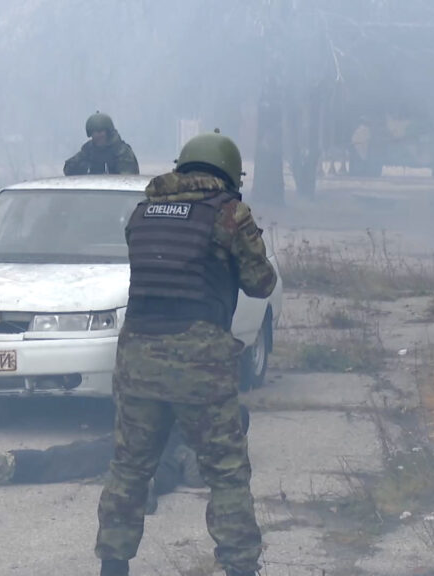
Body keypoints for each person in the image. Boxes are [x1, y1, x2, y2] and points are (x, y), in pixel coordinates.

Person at [94, 130, 276, 576]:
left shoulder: (142, 213)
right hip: (200, 362)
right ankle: (240, 568)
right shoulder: (229, 214)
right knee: (226, 473)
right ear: (229, 173)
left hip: (138, 357)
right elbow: (260, 283)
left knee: (129, 469)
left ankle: (113, 566)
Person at [0, 405, 251, 514]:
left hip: (131, 435)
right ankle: (141, 485)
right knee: (165, 466)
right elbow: (197, 475)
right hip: (162, 447)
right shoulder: (214, 425)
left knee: (60, 459)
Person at [64, 112, 139, 176]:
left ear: (108, 132)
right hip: (91, 188)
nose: (97, 135)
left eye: (100, 131)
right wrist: (85, 166)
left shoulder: (122, 152)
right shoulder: (88, 150)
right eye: (94, 132)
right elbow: (68, 169)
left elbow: (127, 179)